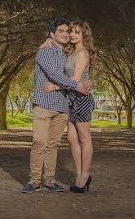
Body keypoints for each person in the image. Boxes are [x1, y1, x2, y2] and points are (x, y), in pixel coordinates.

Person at [22, 18, 93, 194]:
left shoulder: (68, 53)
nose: (67, 34)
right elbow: (55, 74)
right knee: (40, 141)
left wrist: (86, 82)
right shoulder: (46, 51)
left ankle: (53, 180)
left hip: (64, 103)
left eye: (68, 31)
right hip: (46, 102)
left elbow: (78, 74)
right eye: (62, 31)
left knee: (56, 143)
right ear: (52, 34)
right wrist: (76, 85)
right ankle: (34, 180)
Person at [41, 19, 95, 193]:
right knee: (72, 138)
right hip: (70, 99)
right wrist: (49, 39)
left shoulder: (83, 53)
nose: (71, 34)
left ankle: (85, 176)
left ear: (83, 35)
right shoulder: (71, 52)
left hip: (81, 99)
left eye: (76, 32)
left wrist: (55, 86)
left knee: (84, 138)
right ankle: (79, 175)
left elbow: (74, 80)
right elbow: (55, 43)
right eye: (71, 31)